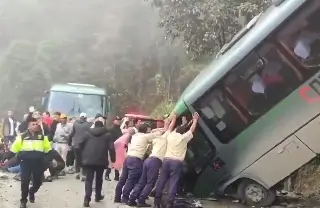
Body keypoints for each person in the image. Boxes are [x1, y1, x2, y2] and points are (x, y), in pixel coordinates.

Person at [128, 116, 176, 207]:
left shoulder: (154, 138)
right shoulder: (164, 136)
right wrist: (172, 119)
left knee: (142, 181)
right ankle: (141, 200)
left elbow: (159, 130)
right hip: (155, 161)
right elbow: (168, 128)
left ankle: (132, 199)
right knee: (150, 183)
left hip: (148, 160)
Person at [154, 112, 199, 208]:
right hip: (176, 163)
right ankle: (170, 203)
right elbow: (191, 130)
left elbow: (171, 128)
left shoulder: (170, 135)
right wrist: (195, 120)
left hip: (166, 161)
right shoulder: (183, 138)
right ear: (183, 132)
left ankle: (156, 201)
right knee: (174, 182)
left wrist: (174, 118)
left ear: (175, 130)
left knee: (161, 181)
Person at [7, 117, 52, 208]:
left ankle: (31, 192)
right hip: (25, 162)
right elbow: (13, 150)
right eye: (33, 124)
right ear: (28, 126)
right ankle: (23, 200)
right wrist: (6, 158)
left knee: (38, 182)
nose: (35, 126)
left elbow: (49, 151)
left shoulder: (42, 138)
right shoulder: (22, 137)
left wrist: (47, 161)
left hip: (38, 163)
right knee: (25, 181)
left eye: (36, 124)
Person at [114, 123, 164, 204]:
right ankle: (125, 198)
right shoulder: (145, 137)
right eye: (148, 129)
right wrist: (162, 129)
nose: (149, 130)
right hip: (136, 160)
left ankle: (117, 197)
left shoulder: (135, 136)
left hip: (128, 158)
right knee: (131, 180)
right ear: (145, 129)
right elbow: (157, 134)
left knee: (123, 178)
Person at [80, 120, 116, 207]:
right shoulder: (107, 135)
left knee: (89, 179)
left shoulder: (87, 134)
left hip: (88, 160)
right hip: (101, 160)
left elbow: (79, 145)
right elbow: (111, 148)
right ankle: (98, 196)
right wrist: (113, 159)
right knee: (99, 178)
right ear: (102, 126)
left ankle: (87, 198)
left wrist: (82, 156)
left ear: (94, 126)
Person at [69, 112, 91, 181]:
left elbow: (72, 134)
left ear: (80, 117)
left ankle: (77, 173)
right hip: (85, 145)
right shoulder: (88, 125)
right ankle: (84, 175)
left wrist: (69, 143)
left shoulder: (75, 124)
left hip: (76, 145)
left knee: (77, 159)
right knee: (84, 159)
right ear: (85, 118)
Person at [105, 116, 123, 181]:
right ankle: (107, 175)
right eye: (117, 120)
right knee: (110, 162)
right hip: (111, 147)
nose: (118, 121)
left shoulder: (119, 129)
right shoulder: (110, 129)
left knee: (117, 162)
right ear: (113, 121)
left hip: (118, 148)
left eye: (119, 120)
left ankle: (117, 176)